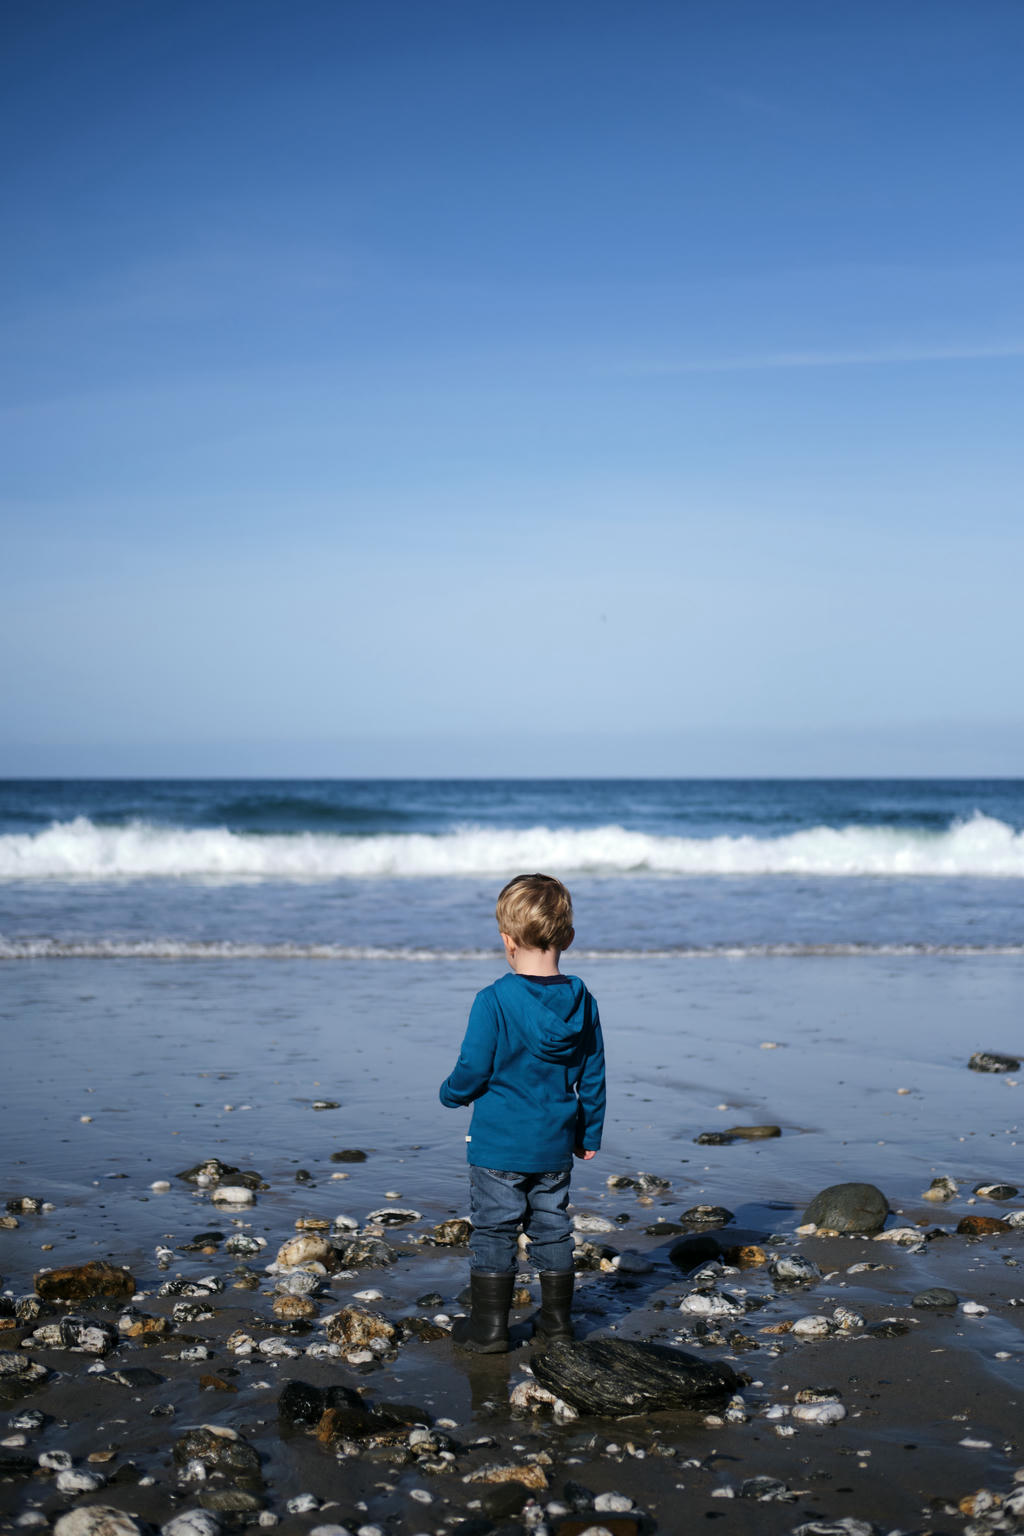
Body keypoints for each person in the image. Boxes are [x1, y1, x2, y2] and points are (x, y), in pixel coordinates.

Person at [439, 872, 606, 1353]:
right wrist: (588, 1132)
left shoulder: (493, 1000)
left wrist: (453, 1093)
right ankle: (557, 1324)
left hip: (498, 1143)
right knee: (552, 1226)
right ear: (568, 938)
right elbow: (592, 1074)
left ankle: (490, 1327)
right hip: (555, 1142)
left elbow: (474, 1066)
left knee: (495, 1226)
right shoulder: (582, 1002)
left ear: (507, 941)